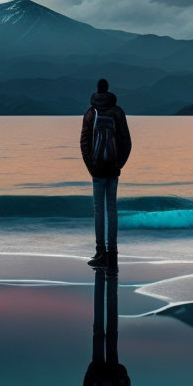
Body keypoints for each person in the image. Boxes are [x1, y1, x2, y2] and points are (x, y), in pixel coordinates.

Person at [79, 78, 132, 267]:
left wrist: (91, 167)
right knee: (112, 210)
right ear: (108, 91)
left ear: (97, 92)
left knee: (98, 211)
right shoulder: (118, 112)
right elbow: (127, 142)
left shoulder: (90, 114)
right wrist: (119, 165)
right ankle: (112, 253)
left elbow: (84, 144)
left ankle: (100, 252)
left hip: (97, 170)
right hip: (112, 169)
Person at [82, 264, 130, 386]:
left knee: (111, 331)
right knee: (98, 330)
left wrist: (122, 372)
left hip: (114, 371)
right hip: (98, 373)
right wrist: (90, 371)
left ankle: (111, 278)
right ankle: (101, 277)